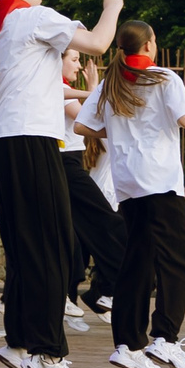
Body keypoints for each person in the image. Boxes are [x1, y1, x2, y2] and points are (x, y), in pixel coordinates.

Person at [0, 0, 122, 368]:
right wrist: (113, 5)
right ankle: (48, 354)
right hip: (31, 140)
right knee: (51, 246)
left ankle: (18, 343)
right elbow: (99, 43)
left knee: (27, 245)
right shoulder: (34, 17)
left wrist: (15, 89)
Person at [75, 22, 185, 368]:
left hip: (128, 183)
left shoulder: (109, 81)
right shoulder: (164, 78)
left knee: (138, 262)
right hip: (160, 179)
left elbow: (82, 127)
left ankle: (128, 345)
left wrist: (115, 131)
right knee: (179, 261)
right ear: (148, 45)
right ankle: (166, 337)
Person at [59, 49, 125, 329]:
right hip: (64, 163)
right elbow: (87, 119)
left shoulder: (64, 89)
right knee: (101, 228)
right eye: (73, 59)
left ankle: (86, 295)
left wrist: (91, 88)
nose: (78, 64)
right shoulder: (58, 88)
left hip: (70, 162)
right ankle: (93, 292)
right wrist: (96, 89)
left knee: (75, 240)